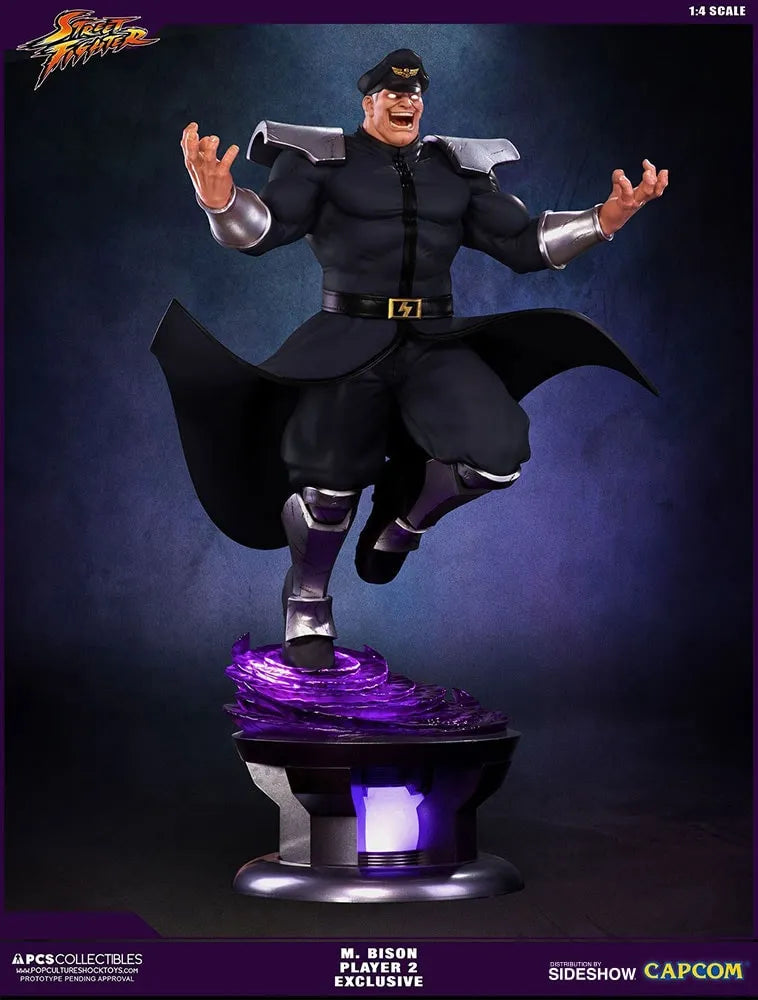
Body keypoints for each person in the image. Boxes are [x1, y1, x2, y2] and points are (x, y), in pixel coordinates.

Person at [153, 48, 668, 670]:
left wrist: (604, 219)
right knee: (327, 483)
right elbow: (265, 230)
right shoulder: (318, 160)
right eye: (394, 93)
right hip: (346, 339)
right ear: (368, 101)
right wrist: (222, 201)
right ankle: (308, 597)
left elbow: (521, 243)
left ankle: (402, 519)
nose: (407, 102)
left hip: (432, 341)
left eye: (416, 93)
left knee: (498, 454)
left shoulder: (457, 171)